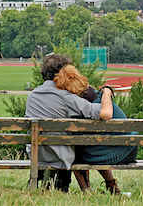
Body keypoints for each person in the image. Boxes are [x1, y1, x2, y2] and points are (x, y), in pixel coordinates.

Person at [25, 54, 113, 192]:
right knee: (78, 143)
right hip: (60, 156)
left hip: (37, 155)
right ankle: (93, 188)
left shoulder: (32, 96)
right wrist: (107, 93)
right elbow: (105, 113)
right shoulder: (66, 97)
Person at [53, 65, 138, 194]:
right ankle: (112, 186)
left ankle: (86, 190)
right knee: (94, 146)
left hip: (116, 153)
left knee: (75, 150)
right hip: (129, 149)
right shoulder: (97, 95)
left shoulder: (81, 105)